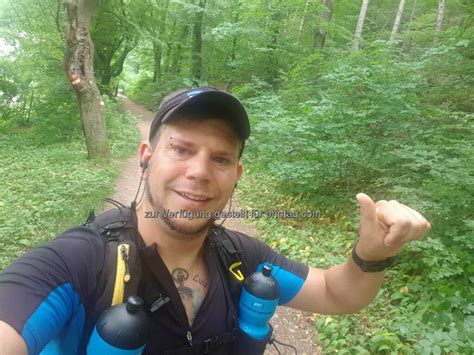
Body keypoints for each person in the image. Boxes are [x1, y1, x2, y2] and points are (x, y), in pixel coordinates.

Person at [0, 87, 431, 354]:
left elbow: (339, 295)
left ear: (236, 176)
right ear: (147, 158)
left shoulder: (240, 256)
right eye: (183, 149)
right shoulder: (76, 262)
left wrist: (373, 254)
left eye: (221, 158)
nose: (200, 172)